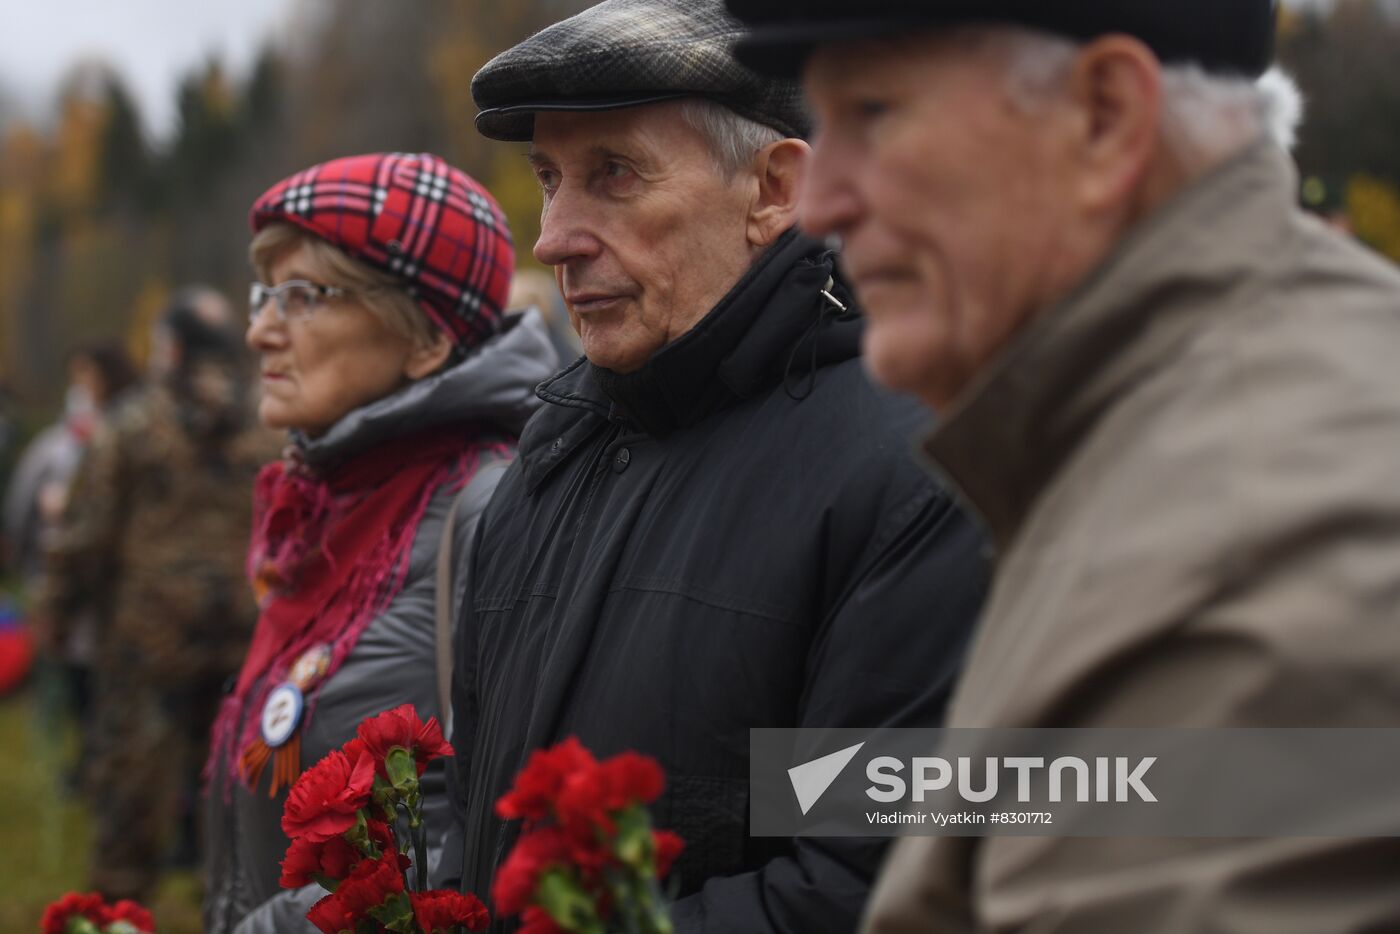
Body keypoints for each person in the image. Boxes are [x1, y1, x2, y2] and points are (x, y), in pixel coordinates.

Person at [728, 1, 1400, 930]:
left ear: (1105, 117)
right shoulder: (1163, 438)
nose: (819, 207)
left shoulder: (1244, 539)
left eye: (874, 113)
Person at [449, 2, 989, 930]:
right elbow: (476, 822)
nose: (553, 237)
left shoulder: (911, 477)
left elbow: (860, 888)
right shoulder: (552, 452)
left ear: (777, 189)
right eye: (549, 178)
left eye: (614, 173)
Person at [203, 152, 557, 934]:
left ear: (425, 337)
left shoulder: (488, 509)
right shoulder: (334, 509)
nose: (260, 331)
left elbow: (471, 842)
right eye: (266, 295)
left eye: (304, 297)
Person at [40, 297, 272, 902]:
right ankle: (233, 907)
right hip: (246, 639)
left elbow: (86, 532)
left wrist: (58, 615)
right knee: (236, 798)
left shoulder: (136, 421)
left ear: (172, 347)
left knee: (131, 796)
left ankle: (119, 908)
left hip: (148, 641)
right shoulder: (271, 420)